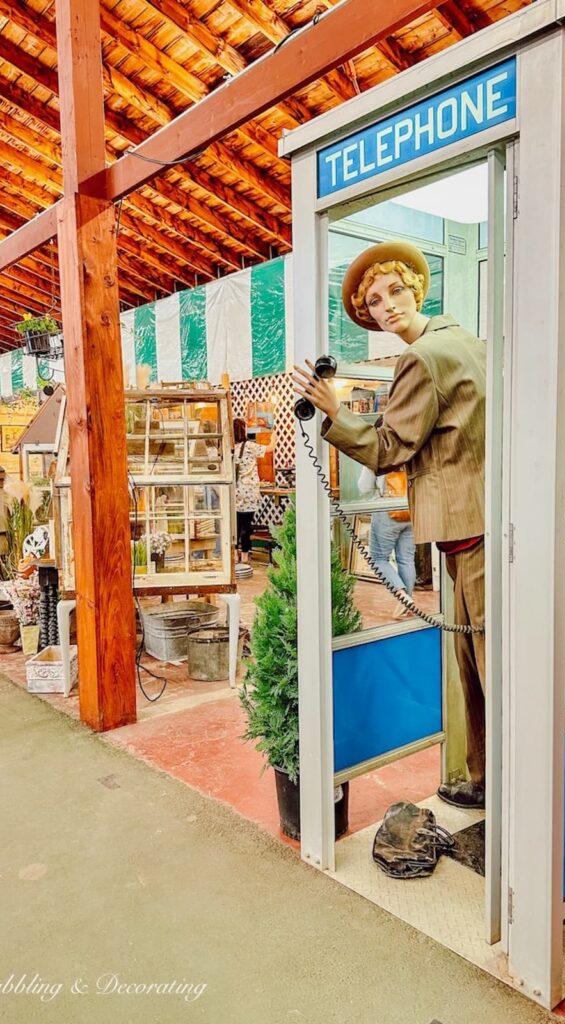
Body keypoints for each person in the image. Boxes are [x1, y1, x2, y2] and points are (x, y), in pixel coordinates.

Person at [293, 240, 486, 810]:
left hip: (471, 532)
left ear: (416, 290)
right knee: (475, 665)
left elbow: (388, 448)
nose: (386, 307)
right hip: (476, 527)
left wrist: (333, 408)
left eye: (393, 292)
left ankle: (507, 799)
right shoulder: (465, 342)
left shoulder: (421, 358)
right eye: (373, 303)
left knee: (486, 673)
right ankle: (486, 781)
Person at [357, 463, 416, 620]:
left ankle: (402, 596)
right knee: (407, 559)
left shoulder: (377, 454)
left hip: (387, 510)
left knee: (378, 559)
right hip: (409, 508)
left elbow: (363, 486)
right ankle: (406, 605)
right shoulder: (409, 449)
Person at [233, 417, 274, 578]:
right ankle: (244, 557)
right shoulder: (249, 446)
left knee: (236, 525)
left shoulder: (231, 448)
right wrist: (274, 432)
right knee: (246, 525)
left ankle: (235, 556)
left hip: (235, 491)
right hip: (249, 491)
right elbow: (270, 448)